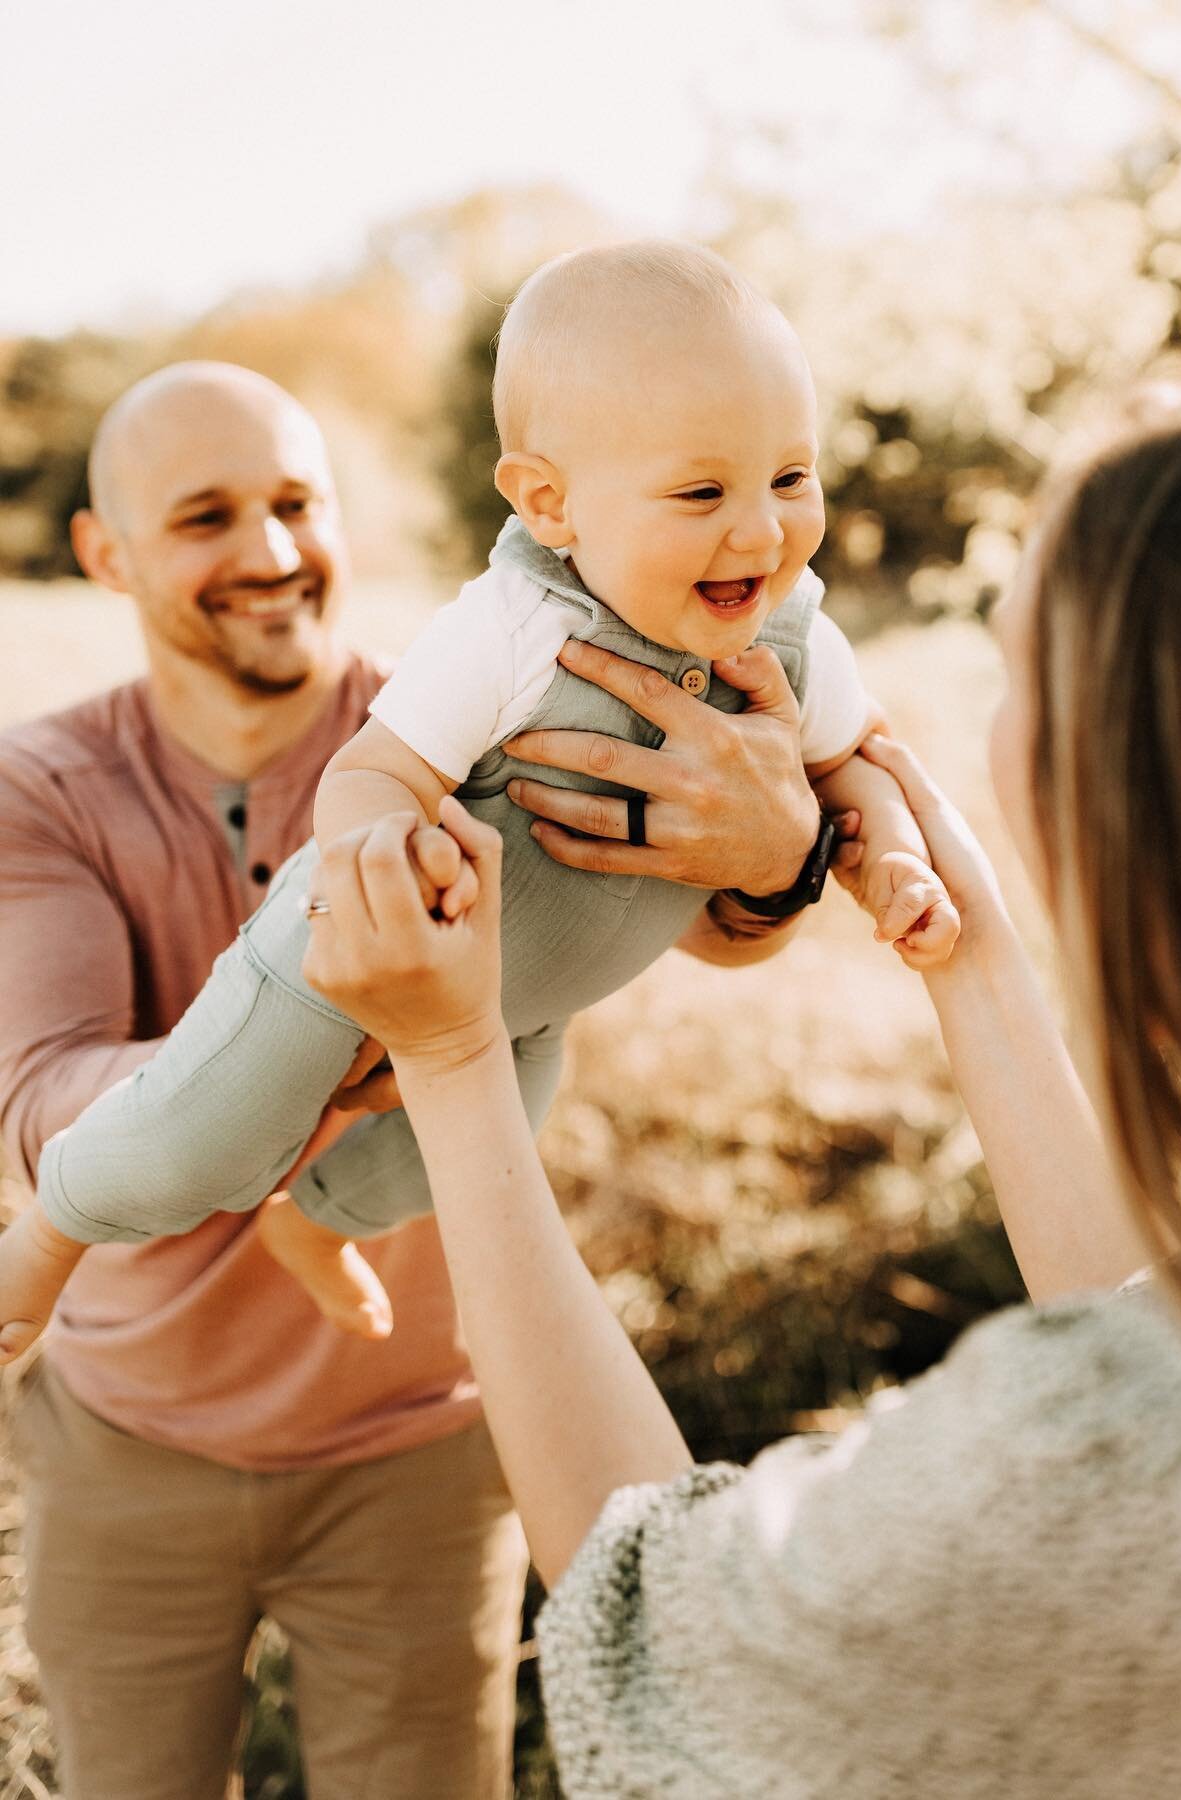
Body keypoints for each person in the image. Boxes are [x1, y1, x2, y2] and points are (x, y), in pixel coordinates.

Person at [303, 391, 1181, 1796]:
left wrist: (457, 1063)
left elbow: (656, 1642)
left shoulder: (1094, 1469)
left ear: (1128, 788)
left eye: (1013, 673)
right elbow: (1178, 1350)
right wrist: (976, 967)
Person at [0, 360, 832, 1800]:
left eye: (296, 503)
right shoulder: (43, 785)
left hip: (425, 1445)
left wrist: (784, 854)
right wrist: (310, 1063)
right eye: (208, 516)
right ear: (105, 554)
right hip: (128, 1443)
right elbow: (40, 1092)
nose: (269, 552)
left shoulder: (472, 713)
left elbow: (707, 924)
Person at [3, 242, 955, 1346]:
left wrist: (884, 859)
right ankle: (54, 1230)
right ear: (549, 504)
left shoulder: (795, 637)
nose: (762, 530)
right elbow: (372, 773)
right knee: (193, 1144)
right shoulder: (512, 629)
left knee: (461, 1157)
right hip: (372, 953)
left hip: (524, 1013)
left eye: (791, 478)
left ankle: (317, 1227)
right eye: (703, 492)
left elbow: (854, 763)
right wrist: (378, 891)